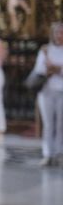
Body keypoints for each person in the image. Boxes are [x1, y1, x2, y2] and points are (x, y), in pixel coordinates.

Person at [32, 22, 63, 167]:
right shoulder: (45, 50)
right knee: (48, 124)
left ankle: (59, 153)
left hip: (61, 91)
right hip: (46, 91)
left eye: (62, 32)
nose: (59, 35)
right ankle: (47, 154)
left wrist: (54, 68)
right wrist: (56, 69)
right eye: (57, 32)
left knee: (61, 124)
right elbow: (40, 70)